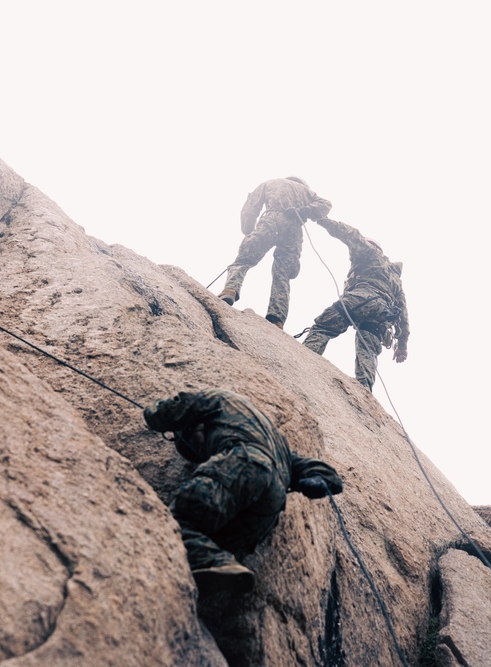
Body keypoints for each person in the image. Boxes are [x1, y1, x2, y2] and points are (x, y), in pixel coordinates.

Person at [143, 388, 344, 595]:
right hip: (270, 507)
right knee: (216, 541)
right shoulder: (275, 440)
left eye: (195, 444)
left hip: (243, 464)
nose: (201, 454)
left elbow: (170, 410)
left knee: (180, 520)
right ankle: (221, 567)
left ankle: (211, 562)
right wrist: (318, 480)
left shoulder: (214, 399)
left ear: (196, 427)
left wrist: (150, 413)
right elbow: (326, 475)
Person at [301, 218, 409, 391]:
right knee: (368, 353)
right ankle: (364, 390)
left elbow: (351, 234)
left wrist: (321, 219)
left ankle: (301, 359)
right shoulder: (395, 278)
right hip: (381, 316)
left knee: (323, 327)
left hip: (360, 299)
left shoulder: (369, 253)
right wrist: (402, 345)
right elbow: (403, 314)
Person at [218, 177, 332, 329]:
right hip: (294, 228)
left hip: (271, 220)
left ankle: (230, 290)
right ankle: (277, 317)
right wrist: (303, 210)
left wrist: (248, 229)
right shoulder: (307, 192)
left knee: (244, 260)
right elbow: (325, 204)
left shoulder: (271, 183)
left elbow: (251, 206)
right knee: (282, 275)